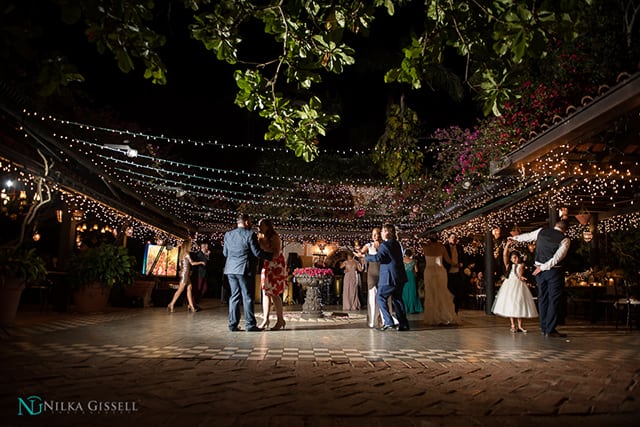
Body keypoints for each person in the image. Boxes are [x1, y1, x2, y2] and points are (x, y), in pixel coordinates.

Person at [509, 220, 570, 337]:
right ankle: (550, 329)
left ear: (555, 226)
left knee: (542, 297)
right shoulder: (564, 239)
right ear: (565, 229)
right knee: (553, 299)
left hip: (539, 271)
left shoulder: (542, 231)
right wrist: (543, 267)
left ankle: (543, 326)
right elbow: (557, 258)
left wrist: (515, 239)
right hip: (553, 272)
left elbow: (527, 236)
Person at [223, 213, 272, 332]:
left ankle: (232, 325)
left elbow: (225, 253)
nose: (251, 223)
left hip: (230, 269)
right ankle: (250, 325)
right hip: (244, 269)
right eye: (249, 221)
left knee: (234, 296)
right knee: (247, 297)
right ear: (245, 222)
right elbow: (257, 253)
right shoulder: (250, 234)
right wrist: (271, 256)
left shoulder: (228, 235)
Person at [365, 223, 410, 331]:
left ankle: (388, 321)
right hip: (400, 276)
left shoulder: (384, 245)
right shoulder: (397, 244)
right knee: (398, 299)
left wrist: (365, 256)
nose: (381, 233)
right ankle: (403, 323)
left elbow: (378, 257)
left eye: (382, 231)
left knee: (380, 297)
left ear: (387, 232)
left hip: (389, 277)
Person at [491, 240, 538, 333]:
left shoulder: (521, 264)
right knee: (511, 305)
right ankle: (513, 325)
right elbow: (504, 255)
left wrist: (521, 277)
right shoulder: (508, 265)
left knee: (519, 304)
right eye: (513, 258)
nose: (515, 259)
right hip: (509, 286)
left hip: (518, 285)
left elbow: (520, 273)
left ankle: (520, 325)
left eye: (516, 257)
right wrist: (507, 245)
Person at [257, 218, 287, 330]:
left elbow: (276, 252)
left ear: (268, 226)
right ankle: (266, 319)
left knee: (274, 293)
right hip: (267, 265)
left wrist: (262, 247)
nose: (259, 227)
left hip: (276, 266)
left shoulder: (274, 237)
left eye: (261, 225)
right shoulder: (261, 237)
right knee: (265, 292)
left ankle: (280, 320)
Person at [421, 235, 457, 325]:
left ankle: (433, 316)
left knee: (431, 293)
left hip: (429, 271)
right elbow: (448, 260)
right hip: (440, 271)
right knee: (442, 292)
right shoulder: (442, 247)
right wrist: (455, 263)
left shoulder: (425, 247)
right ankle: (444, 315)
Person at [167, 239, 203, 313]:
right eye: (190, 245)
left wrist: (184, 271)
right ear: (187, 246)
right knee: (180, 290)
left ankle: (191, 306)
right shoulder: (186, 254)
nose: (191, 246)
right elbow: (192, 263)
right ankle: (171, 304)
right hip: (185, 274)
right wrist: (201, 262)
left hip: (185, 274)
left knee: (189, 288)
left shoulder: (182, 254)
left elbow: (181, 265)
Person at [360, 227, 382, 328]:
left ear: (380, 234)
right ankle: (372, 321)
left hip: (382, 274)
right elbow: (361, 253)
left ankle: (382, 319)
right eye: (372, 234)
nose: (374, 236)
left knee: (383, 297)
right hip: (372, 274)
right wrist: (360, 254)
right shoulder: (369, 245)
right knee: (372, 297)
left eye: (376, 234)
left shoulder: (384, 245)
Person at [444, 233, 464, 313]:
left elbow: (462, 258)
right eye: (452, 237)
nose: (454, 239)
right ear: (448, 239)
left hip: (457, 273)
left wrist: (461, 264)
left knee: (457, 293)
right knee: (449, 293)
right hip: (448, 273)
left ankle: (455, 311)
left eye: (455, 238)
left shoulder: (459, 248)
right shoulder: (445, 248)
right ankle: (449, 310)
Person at [402, 249, 422, 314]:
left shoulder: (402, 261)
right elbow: (416, 270)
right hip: (411, 276)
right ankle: (413, 308)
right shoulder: (413, 261)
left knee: (405, 292)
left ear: (405, 254)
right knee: (412, 292)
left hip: (404, 276)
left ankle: (405, 308)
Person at [191, 241, 210, 311]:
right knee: (197, 289)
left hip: (203, 274)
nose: (208, 248)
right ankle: (192, 303)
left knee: (204, 288)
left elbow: (206, 263)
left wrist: (207, 255)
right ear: (203, 247)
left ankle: (194, 303)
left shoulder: (204, 254)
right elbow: (196, 263)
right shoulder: (199, 254)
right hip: (199, 274)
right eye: (207, 247)